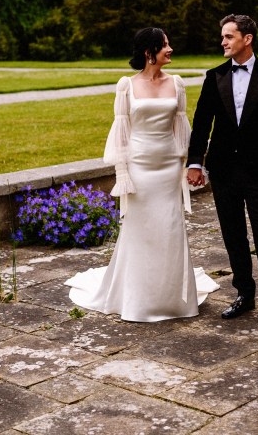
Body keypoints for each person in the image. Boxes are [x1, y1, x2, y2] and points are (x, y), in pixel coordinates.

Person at [65, 27, 219, 322]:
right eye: (165, 45)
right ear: (149, 53)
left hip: (168, 168)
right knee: (141, 231)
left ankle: (174, 299)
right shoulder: (126, 86)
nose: (170, 49)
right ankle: (138, 300)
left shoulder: (177, 83)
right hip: (139, 167)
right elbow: (121, 136)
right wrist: (122, 174)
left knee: (171, 228)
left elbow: (181, 131)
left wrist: (190, 165)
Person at [186, 14, 258, 332]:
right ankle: (244, 295)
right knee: (233, 235)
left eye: (228, 36)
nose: (223, 41)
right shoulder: (214, 76)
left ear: (247, 39)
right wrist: (196, 161)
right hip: (223, 170)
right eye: (222, 36)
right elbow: (202, 123)